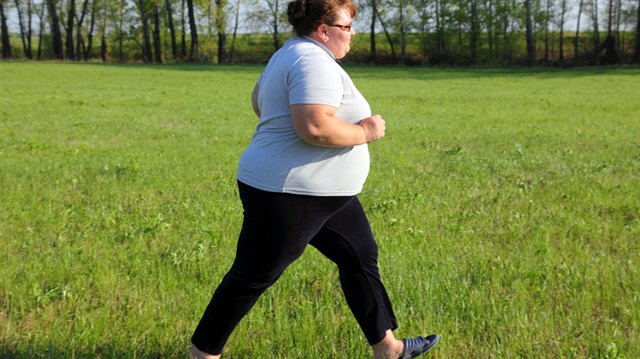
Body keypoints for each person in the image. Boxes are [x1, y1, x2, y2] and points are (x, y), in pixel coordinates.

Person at [189, 1, 439, 358]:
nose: (352, 33)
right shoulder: (312, 61)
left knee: (359, 255)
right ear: (324, 30)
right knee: (252, 276)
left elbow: (260, 101)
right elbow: (314, 126)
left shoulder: (289, 53)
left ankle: (389, 349)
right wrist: (365, 131)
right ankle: (203, 354)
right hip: (290, 193)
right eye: (347, 26)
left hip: (325, 192)